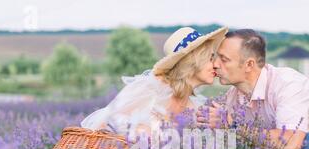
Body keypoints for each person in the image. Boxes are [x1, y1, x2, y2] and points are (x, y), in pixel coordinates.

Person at [81, 26, 228, 141]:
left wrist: (224, 123)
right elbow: (103, 126)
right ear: (194, 61)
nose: (215, 64)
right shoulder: (151, 89)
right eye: (210, 58)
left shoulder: (196, 109)